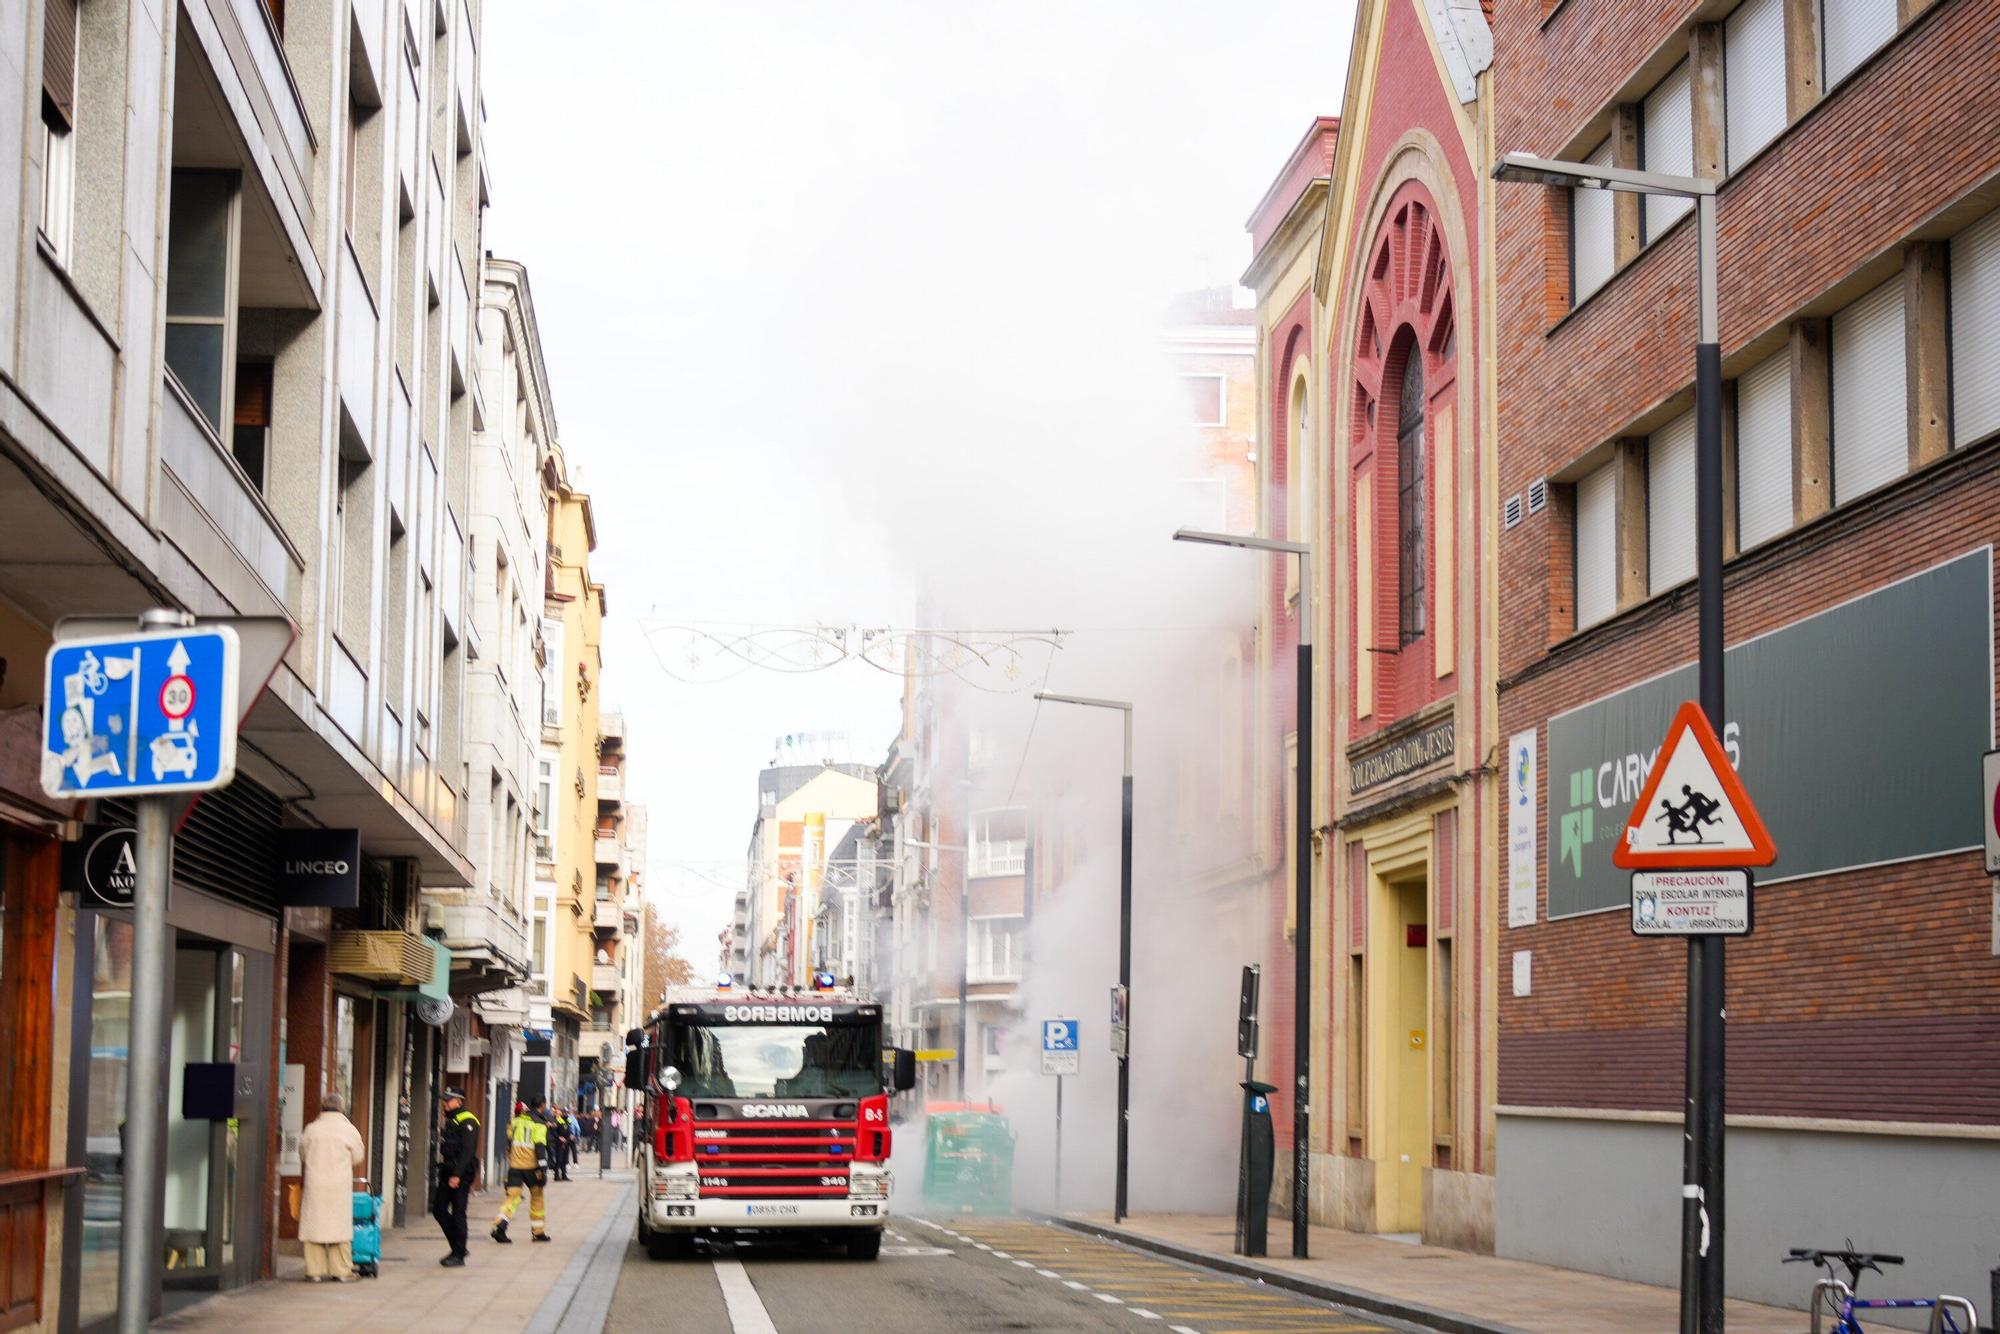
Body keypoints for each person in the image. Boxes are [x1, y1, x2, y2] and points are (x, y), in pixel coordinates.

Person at [298, 1093, 366, 1282]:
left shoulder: (312, 1129)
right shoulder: (348, 1130)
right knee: (339, 1227)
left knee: (315, 1226)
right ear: (341, 1109)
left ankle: (314, 1271)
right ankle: (341, 1270)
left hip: (315, 1183)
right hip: (339, 1184)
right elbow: (358, 1156)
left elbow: (302, 1153)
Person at [431, 1087, 479, 1267]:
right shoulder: (452, 1119)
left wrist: (457, 1175)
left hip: (460, 1173)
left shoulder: (468, 1120)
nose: (445, 1102)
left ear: (459, 1101)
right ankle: (458, 1247)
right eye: (444, 1099)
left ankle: (458, 1254)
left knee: (458, 1213)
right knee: (438, 1210)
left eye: (448, 1100)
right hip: (447, 1170)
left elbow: (468, 1151)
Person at [492, 1100, 552, 1244]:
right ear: (542, 1105)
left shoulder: (516, 1121)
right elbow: (539, 1147)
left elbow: (509, 1139)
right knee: (537, 1198)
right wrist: (543, 1169)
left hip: (515, 1167)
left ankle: (500, 1226)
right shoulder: (540, 1125)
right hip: (532, 1168)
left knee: (512, 1197)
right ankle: (538, 1233)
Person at [547, 1106, 573, 1182]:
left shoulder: (568, 1120)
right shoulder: (558, 1120)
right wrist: (559, 1137)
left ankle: (564, 1175)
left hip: (567, 1141)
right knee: (559, 1159)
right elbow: (554, 1131)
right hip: (560, 1142)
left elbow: (569, 1129)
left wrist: (571, 1134)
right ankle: (556, 1175)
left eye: (567, 1112)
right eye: (564, 1112)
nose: (566, 1114)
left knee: (565, 1159)